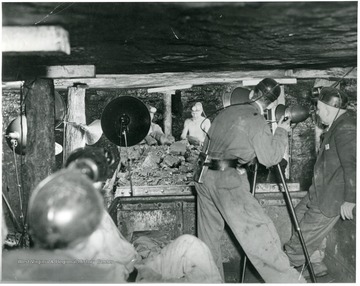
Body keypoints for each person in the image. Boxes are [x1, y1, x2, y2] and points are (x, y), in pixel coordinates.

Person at [3, 148, 222, 283]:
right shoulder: (66, 220)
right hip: (127, 278)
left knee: (189, 245)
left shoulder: (93, 209)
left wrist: (141, 255)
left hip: (139, 266)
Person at [194, 78, 306, 283]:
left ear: (252, 93)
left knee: (208, 239)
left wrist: (240, 163)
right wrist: (282, 132)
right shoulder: (256, 119)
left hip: (203, 177)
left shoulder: (226, 111)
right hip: (226, 182)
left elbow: (216, 144)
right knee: (259, 234)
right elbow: (270, 158)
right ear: (271, 103)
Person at [284, 87, 356, 278]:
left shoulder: (346, 128)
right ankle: (314, 263)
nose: (316, 112)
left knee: (299, 241)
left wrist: (351, 199)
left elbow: (353, 165)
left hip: (331, 197)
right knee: (297, 217)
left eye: (318, 108)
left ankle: (282, 273)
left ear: (328, 108)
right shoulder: (336, 126)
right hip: (318, 192)